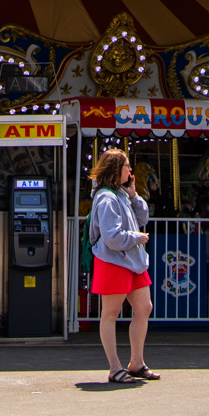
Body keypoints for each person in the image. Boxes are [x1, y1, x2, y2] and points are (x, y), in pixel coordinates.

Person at [87, 147, 155, 385]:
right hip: (114, 260)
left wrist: (134, 195)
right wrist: (137, 238)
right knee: (110, 313)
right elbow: (111, 237)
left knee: (144, 308)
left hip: (131, 261)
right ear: (116, 170)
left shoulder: (121, 194)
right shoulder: (106, 198)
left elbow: (143, 217)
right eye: (127, 166)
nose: (130, 170)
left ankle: (136, 362)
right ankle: (115, 367)